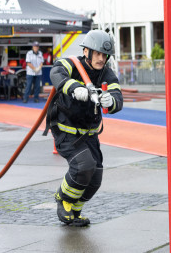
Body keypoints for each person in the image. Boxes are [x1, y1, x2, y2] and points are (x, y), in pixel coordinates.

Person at [47, 30, 123, 226]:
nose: (101, 58)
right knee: (83, 166)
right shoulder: (72, 64)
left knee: (95, 178)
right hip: (66, 131)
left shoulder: (107, 73)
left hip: (89, 134)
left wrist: (111, 101)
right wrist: (74, 88)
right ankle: (63, 198)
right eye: (97, 53)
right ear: (86, 51)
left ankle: (75, 211)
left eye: (104, 55)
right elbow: (56, 72)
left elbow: (118, 100)